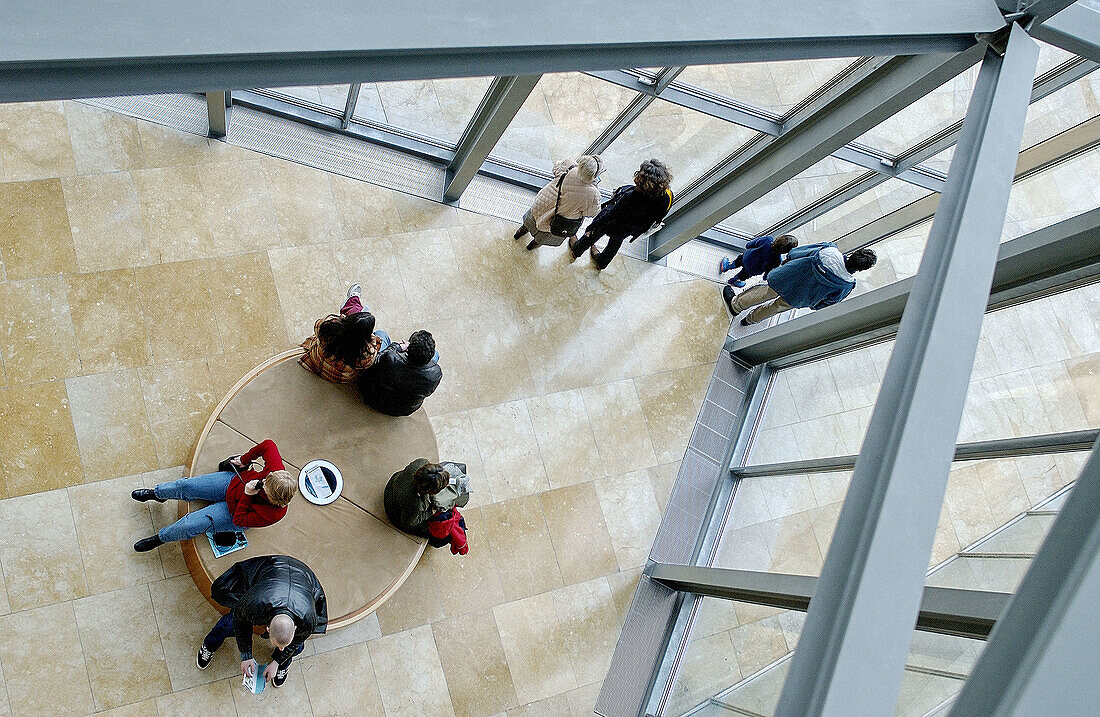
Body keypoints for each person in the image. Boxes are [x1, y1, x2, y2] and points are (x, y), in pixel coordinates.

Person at [131, 439, 296, 551]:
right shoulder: (276, 471)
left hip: (235, 511)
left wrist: (247, 494)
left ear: (273, 498)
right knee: (187, 485)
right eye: (265, 479)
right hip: (232, 484)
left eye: (264, 486)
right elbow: (268, 444)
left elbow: (239, 520)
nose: (263, 481)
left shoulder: (275, 514)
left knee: (191, 524)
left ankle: (161, 538)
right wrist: (245, 459)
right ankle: (158, 494)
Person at [197, 555, 327, 689]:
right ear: (267, 629)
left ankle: (283, 665)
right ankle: (209, 645)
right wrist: (246, 655)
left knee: (297, 647)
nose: (281, 648)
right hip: (272, 568)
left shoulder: (309, 618)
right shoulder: (255, 603)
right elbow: (240, 622)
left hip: (304, 577)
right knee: (228, 624)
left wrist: (277, 661)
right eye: (278, 645)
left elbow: (297, 641)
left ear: (295, 629)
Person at [723, 244, 877, 326]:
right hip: (798, 298)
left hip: (784, 278)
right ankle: (750, 320)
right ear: (861, 269)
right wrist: (811, 304)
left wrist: (787, 262)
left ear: (855, 253)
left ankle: (736, 306)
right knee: (774, 308)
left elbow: (795, 253)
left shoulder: (827, 250)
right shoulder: (846, 286)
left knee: (761, 293)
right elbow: (827, 303)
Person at [569, 159, 673, 270]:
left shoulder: (631, 197)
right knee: (615, 242)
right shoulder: (667, 197)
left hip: (613, 224)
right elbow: (658, 217)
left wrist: (591, 227)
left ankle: (577, 249)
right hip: (631, 228)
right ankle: (602, 262)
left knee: (594, 234)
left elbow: (610, 216)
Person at [299, 283, 391, 384]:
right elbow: (370, 359)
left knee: (356, 313)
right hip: (340, 378)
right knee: (382, 335)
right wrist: (372, 337)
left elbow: (317, 324)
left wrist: (342, 319)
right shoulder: (366, 354)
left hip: (316, 361)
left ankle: (352, 302)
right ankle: (353, 304)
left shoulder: (327, 328)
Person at [514, 155, 604, 251]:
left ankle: (519, 233)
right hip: (559, 221)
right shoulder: (593, 194)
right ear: (595, 175)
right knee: (542, 238)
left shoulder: (569, 165)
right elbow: (591, 213)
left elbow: (555, 168)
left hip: (544, 204)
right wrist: (595, 186)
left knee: (530, 221)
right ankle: (531, 247)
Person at [384, 459, 470, 546]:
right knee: (443, 537)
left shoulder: (420, 462)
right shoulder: (416, 504)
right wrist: (431, 512)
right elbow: (408, 522)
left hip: (394, 484)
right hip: (395, 510)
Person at [357, 330, 443, 416]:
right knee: (436, 354)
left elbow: (377, 359)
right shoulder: (436, 374)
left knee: (381, 334)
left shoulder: (390, 358)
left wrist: (398, 347)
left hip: (373, 398)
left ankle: (410, 345)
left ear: (408, 350)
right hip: (401, 410)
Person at [718, 234, 798, 287]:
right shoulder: (777, 260)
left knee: (736, 262)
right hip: (753, 270)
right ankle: (733, 281)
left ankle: (726, 266)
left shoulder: (767, 240)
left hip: (746, 257)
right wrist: (765, 277)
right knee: (743, 275)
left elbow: (749, 245)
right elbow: (768, 272)